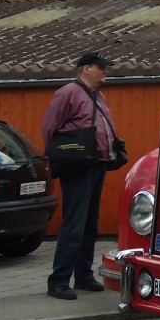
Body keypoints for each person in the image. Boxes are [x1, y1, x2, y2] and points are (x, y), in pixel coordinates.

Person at [43, 52, 116, 300]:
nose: (105, 71)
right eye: (101, 67)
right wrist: (62, 157)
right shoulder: (68, 93)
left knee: (90, 223)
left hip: (97, 164)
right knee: (74, 223)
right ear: (86, 68)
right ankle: (59, 281)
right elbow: (49, 127)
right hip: (77, 166)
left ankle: (83, 275)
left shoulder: (98, 95)